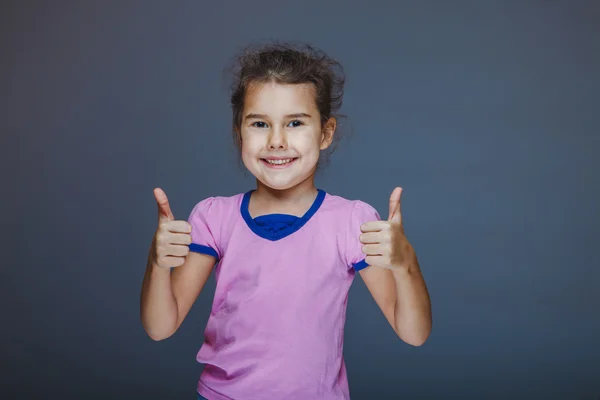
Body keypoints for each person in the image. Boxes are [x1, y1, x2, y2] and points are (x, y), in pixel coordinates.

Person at [140, 43, 432, 400]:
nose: (277, 141)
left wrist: (406, 264)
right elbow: (160, 328)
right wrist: (157, 264)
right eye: (260, 124)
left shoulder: (352, 222)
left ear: (325, 133)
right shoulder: (214, 217)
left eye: (295, 123)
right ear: (239, 133)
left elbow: (414, 333)